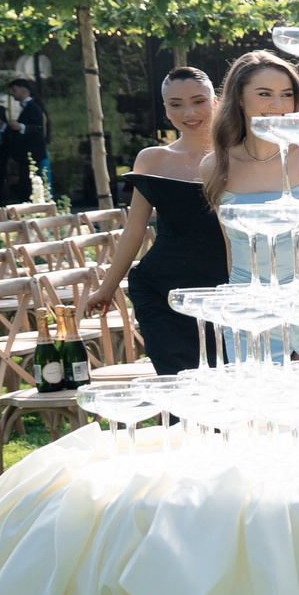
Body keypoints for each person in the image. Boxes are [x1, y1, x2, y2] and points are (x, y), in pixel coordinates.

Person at [201, 53, 299, 329]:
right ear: (239, 98)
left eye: (286, 95)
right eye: (264, 94)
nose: (278, 105)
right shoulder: (214, 165)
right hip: (247, 310)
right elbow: (232, 250)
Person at [88, 68, 223, 374]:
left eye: (198, 101)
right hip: (162, 293)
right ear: (165, 109)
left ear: (215, 102)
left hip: (223, 289)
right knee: (177, 385)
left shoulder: (237, 155)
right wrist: (106, 289)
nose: (188, 112)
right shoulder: (151, 159)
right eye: (176, 104)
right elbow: (135, 230)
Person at [6, 78, 51, 201]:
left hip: (32, 152)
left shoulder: (33, 107)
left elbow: (38, 128)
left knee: (30, 182)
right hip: (26, 154)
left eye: (14, 90)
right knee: (27, 181)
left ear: (23, 90)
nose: (12, 93)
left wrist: (22, 127)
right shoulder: (29, 108)